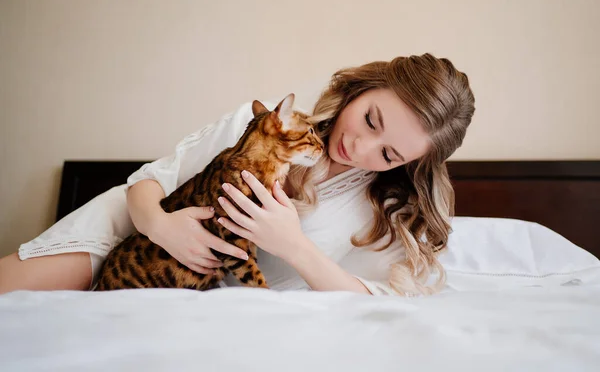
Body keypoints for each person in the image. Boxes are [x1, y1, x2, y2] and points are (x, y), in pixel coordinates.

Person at [0, 53, 475, 296]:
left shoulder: (387, 213)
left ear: (409, 166)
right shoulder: (263, 124)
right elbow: (150, 182)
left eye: (389, 154)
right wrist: (160, 225)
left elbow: (374, 300)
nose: (359, 147)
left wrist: (293, 244)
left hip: (197, 286)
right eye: (371, 120)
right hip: (130, 231)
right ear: (361, 88)